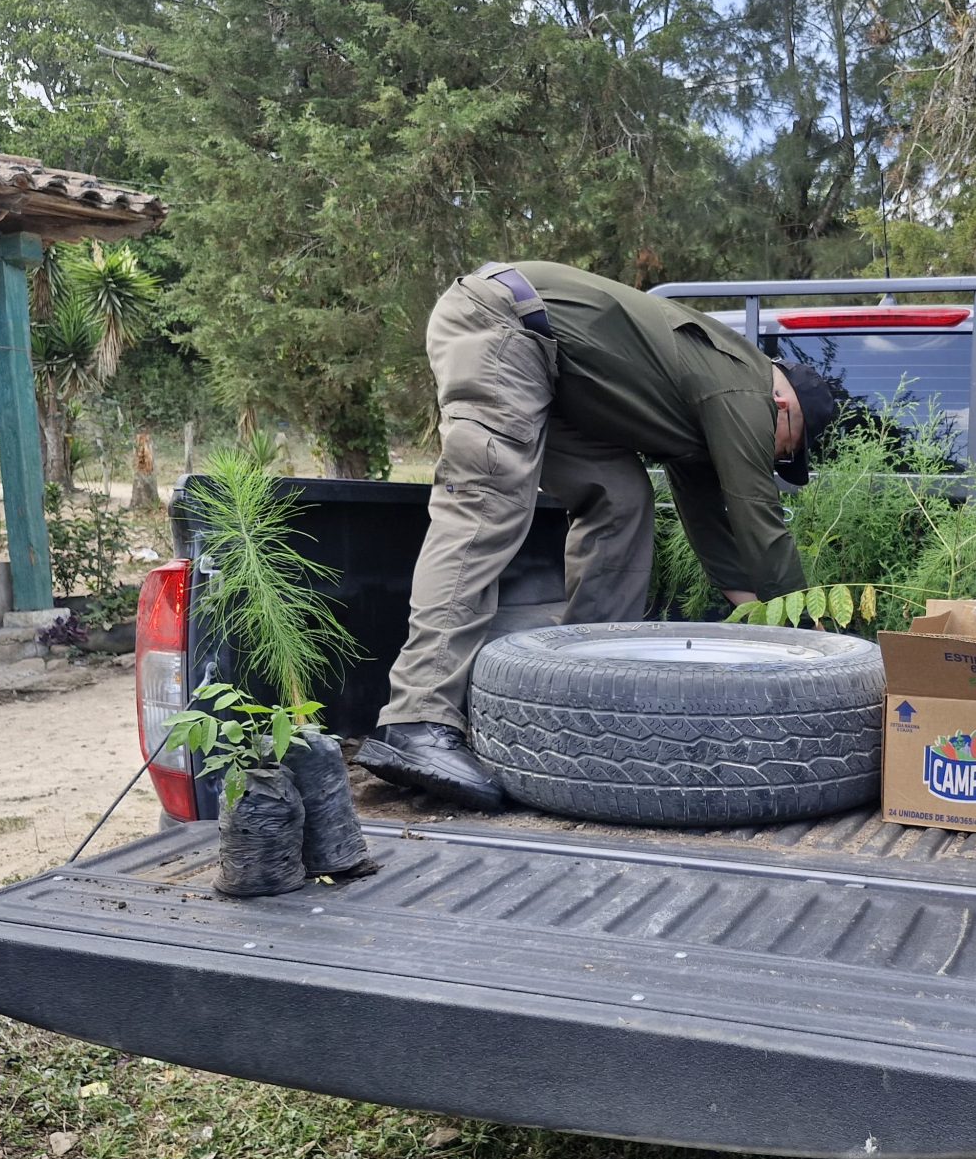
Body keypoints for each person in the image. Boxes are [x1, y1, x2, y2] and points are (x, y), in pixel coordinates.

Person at [357, 261, 838, 808]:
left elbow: (714, 531)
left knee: (622, 498)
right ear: (784, 407)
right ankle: (417, 716)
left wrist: (760, 617)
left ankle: (579, 702)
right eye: (786, 450)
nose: (776, 460)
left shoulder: (711, 411)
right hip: (508, 325)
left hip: (558, 376)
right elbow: (760, 522)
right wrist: (807, 634)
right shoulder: (746, 388)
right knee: (488, 501)